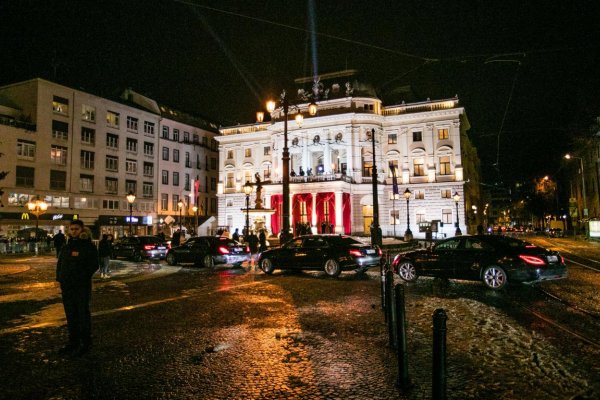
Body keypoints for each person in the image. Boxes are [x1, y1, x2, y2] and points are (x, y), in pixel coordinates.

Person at [56, 220, 99, 356]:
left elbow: (94, 265)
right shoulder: (66, 245)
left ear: (82, 230)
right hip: (67, 286)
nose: (74, 231)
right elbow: (61, 263)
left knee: (82, 314)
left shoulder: (87, 246)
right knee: (70, 315)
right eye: (71, 229)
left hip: (81, 286)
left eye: (76, 229)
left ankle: (85, 343)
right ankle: (73, 342)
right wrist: (60, 278)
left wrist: (82, 277)